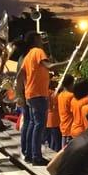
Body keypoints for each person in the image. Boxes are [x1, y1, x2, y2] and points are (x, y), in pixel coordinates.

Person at [19, 31, 67, 165]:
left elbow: (21, 75)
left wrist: (22, 92)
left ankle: (29, 153)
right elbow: (49, 66)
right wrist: (68, 62)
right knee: (39, 125)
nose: (42, 40)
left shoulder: (28, 55)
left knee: (33, 124)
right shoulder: (38, 51)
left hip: (30, 93)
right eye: (40, 38)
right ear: (35, 40)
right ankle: (36, 157)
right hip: (39, 94)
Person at [58, 74, 75, 147]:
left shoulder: (60, 95)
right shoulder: (71, 96)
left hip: (63, 125)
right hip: (70, 126)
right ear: (70, 84)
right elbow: (73, 110)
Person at [46, 79, 62, 151]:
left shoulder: (46, 93)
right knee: (56, 140)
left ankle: (51, 150)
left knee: (52, 139)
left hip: (49, 118)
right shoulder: (54, 94)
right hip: (55, 119)